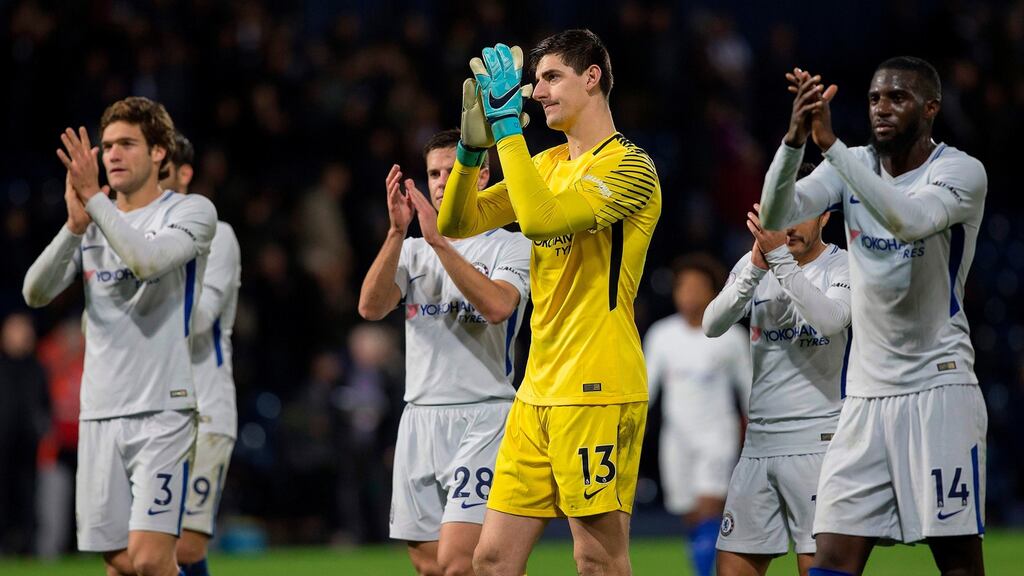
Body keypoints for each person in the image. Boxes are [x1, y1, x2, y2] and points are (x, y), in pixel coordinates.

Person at [438, 29, 661, 576]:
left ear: (593, 78)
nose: (536, 92)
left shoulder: (630, 168)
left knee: (597, 560)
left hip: (597, 387)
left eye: (551, 78)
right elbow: (457, 222)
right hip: (536, 389)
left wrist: (507, 130)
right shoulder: (545, 164)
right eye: (535, 81)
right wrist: (471, 152)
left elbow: (541, 221)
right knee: (491, 560)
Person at [759, 57, 988, 576]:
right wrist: (794, 142)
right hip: (864, 399)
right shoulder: (853, 163)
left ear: (930, 108)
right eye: (874, 99)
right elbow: (775, 214)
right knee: (831, 556)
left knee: (957, 560)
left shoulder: (960, 171)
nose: (882, 108)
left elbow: (910, 219)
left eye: (898, 98)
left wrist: (832, 149)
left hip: (939, 388)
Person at [23, 96, 217, 576]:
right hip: (99, 411)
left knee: (151, 559)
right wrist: (74, 227)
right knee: (121, 563)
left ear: (158, 152)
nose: (112, 154)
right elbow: (35, 292)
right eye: (107, 145)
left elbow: (145, 261)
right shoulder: (92, 222)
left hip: (163, 410)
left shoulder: (191, 211)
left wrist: (94, 202)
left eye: (127, 143)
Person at [358, 128, 531, 576]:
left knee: (458, 562)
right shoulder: (412, 251)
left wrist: (440, 241)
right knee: (429, 565)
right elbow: (371, 307)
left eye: (452, 172)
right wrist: (397, 233)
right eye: (434, 173)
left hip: (484, 417)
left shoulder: (511, 245)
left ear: (482, 176)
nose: (440, 182)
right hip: (419, 418)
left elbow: (497, 307)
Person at [704, 173, 851, 576]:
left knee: (818, 568)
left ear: (825, 216)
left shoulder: (843, 265)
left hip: (819, 442)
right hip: (758, 444)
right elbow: (712, 324)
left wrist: (780, 263)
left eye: (802, 213)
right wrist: (754, 269)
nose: (790, 225)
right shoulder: (755, 264)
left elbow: (830, 320)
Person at [161, 132, 242, 576]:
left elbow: (200, 319)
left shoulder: (218, 235)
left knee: (185, 547)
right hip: (151, 410)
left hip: (204, 408)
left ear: (184, 173)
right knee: (144, 547)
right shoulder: (135, 237)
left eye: (162, 170)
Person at [644, 254, 751, 576]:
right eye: (684, 287)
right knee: (691, 514)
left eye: (697, 287)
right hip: (676, 439)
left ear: (712, 292)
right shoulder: (662, 335)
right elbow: (647, 390)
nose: (689, 294)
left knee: (709, 507)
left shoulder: (730, 336)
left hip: (717, 434)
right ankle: (707, 566)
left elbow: (748, 390)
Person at [0, 313, 50, 556]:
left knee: (29, 497)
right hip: (2, 445)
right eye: (15, 330)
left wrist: (42, 430)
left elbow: (45, 405)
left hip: (29, 446)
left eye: (24, 330)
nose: (21, 336)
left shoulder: (37, 368)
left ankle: (28, 547)